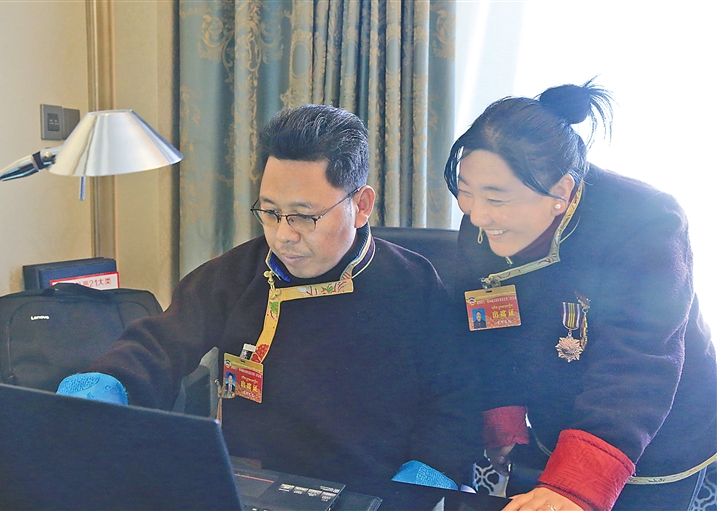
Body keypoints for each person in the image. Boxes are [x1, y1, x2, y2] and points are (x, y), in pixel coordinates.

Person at [58, 104, 481, 510]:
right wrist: (106, 384)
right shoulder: (237, 273)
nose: (283, 236)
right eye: (271, 212)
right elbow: (161, 342)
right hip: (253, 488)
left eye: (303, 216)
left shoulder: (414, 285)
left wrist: (423, 479)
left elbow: (456, 401)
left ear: (361, 206)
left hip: (367, 493)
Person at [443, 80, 717, 511]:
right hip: (556, 410)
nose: (477, 215)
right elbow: (489, 322)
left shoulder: (647, 222)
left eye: (496, 198)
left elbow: (638, 362)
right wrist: (503, 415)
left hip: (652, 424)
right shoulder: (484, 223)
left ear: (562, 192)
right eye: (466, 191)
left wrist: (574, 485)